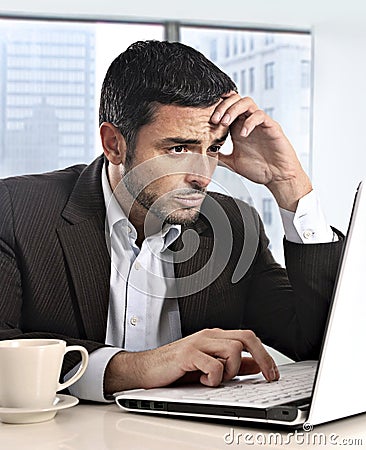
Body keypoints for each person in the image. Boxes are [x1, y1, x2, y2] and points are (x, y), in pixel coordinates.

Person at [0, 40, 344, 402]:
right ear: (114, 144)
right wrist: (136, 368)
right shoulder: (15, 211)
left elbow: (319, 342)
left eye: (212, 148)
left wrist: (289, 185)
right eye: (178, 149)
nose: (203, 176)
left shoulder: (235, 225)